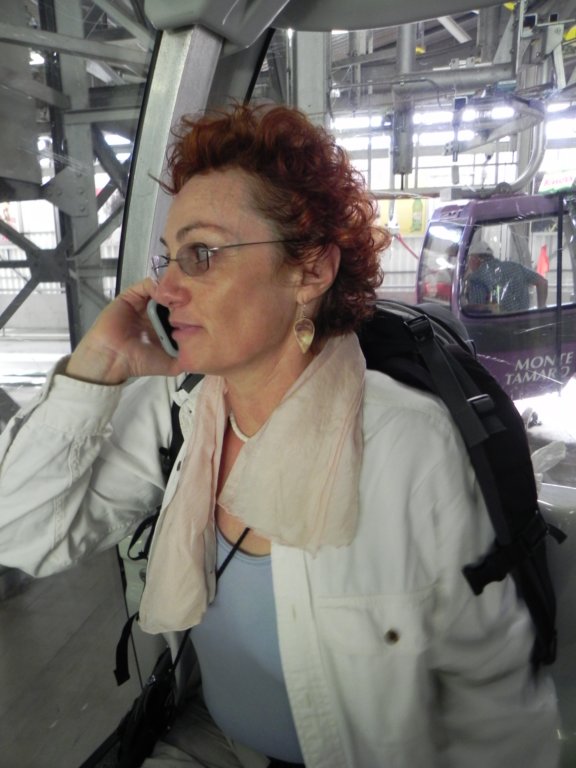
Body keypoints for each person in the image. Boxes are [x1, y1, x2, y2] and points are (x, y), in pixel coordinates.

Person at [0, 103, 559, 768]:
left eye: (202, 254)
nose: (165, 288)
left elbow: (489, 687)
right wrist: (94, 369)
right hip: (213, 738)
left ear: (310, 272)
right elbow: (19, 531)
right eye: (169, 257)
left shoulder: (402, 443)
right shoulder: (181, 408)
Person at [463, 239, 548, 313]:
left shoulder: (476, 278)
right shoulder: (515, 266)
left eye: (469, 259)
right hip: (524, 321)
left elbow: (477, 312)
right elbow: (542, 282)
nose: (468, 263)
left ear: (475, 259)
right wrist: (541, 311)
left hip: (499, 324)